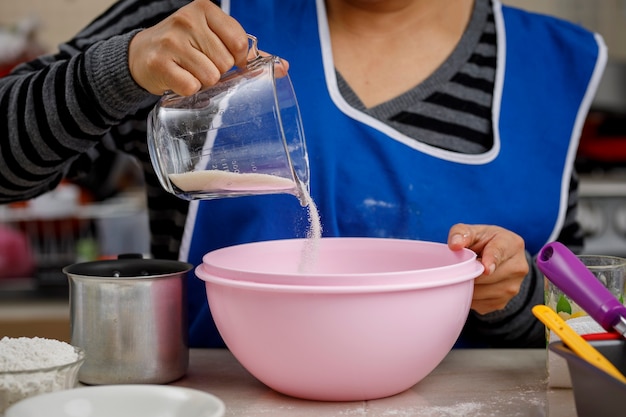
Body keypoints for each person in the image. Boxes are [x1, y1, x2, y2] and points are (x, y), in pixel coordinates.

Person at [0, 0, 606, 348]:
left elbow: (588, 317)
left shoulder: (553, 64)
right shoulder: (201, 18)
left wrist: (516, 297)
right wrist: (120, 69)